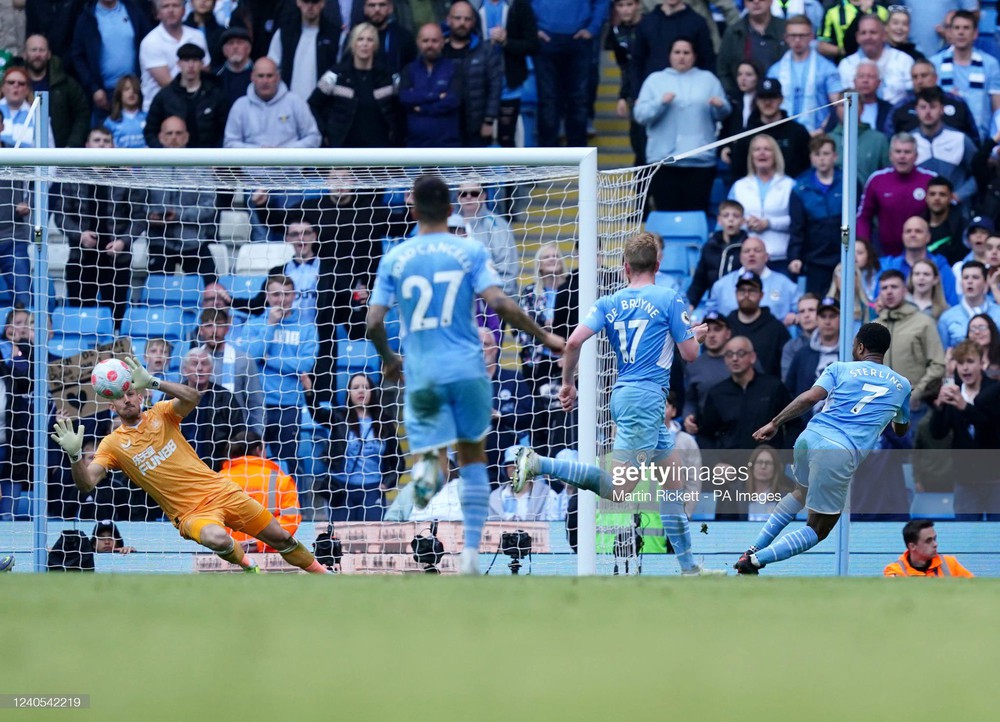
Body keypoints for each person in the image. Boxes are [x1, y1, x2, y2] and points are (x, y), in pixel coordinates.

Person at [366, 173, 565, 575]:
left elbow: (372, 323)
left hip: (422, 371)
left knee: (434, 461)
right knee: (473, 459)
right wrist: (543, 334)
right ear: (452, 209)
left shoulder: (396, 257)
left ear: (414, 209)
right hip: (468, 367)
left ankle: (423, 482)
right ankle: (471, 554)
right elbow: (502, 303)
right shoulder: (469, 251)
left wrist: (388, 358)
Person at [510, 232, 720, 576]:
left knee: (673, 480)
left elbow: (574, 341)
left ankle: (689, 569)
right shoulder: (669, 297)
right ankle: (538, 463)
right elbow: (691, 355)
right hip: (646, 399)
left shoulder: (610, 301)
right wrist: (694, 335)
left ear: (624, 268)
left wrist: (567, 383)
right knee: (618, 490)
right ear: (658, 264)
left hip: (625, 394)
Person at [50, 357, 329, 573]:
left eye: (130, 393)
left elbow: (193, 397)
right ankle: (248, 566)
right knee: (217, 539)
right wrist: (75, 456)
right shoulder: (112, 444)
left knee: (282, 538)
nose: (126, 400)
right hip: (189, 513)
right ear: (112, 407)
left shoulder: (161, 414)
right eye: (119, 398)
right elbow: (86, 483)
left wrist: (153, 381)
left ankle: (324, 575)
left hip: (221, 490)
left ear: (140, 395)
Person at [734, 323, 911, 574]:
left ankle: (752, 548)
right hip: (838, 452)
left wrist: (775, 422)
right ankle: (754, 560)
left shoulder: (839, 368)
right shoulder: (902, 385)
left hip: (810, 437)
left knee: (800, 493)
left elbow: (809, 398)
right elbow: (901, 430)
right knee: (819, 528)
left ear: (860, 347)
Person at [58, 126, 144, 330]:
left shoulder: (127, 179)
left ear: (113, 146)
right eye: (97, 140)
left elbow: (140, 217)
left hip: (117, 259)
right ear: (87, 145)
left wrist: (124, 241)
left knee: (117, 318)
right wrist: (79, 235)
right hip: (81, 258)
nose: (102, 144)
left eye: (106, 141)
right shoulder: (72, 177)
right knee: (81, 317)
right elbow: (61, 216)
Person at [633, 36, 729, 213]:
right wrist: (660, 103)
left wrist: (720, 106)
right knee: (666, 214)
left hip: (700, 162)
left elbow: (723, 113)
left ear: (694, 56)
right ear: (670, 55)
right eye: (677, 52)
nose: (681, 57)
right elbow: (640, 115)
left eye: (686, 52)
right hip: (663, 162)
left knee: (696, 213)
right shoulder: (654, 80)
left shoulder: (708, 79)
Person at [242, 274, 318, 482]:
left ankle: (293, 508)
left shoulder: (307, 328)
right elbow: (250, 356)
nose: (281, 299)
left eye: (286, 294)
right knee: (255, 461)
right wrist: (271, 324)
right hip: (259, 405)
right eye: (276, 294)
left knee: (289, 463)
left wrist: (269, 359)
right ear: (267, 296)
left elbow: (305, 365)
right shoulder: (255, 324)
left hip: (289, 406)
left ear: (294, 296)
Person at [303, 371, 402, 521]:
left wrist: (387, 483)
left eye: (365, 387)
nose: (361, 391)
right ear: (349, 393)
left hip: (372, 489)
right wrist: (309, 391)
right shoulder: (339, 417)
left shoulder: (385, 423)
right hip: (341, 488)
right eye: (356, 387)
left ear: (372, 392)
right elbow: (317, 414)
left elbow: (399, 461)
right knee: (340, 538)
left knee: (372, 537)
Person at [146, 116, 218, 284]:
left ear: (186, 137)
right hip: (159, 242)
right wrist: (149, 217)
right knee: (156, 293)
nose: (174, 137)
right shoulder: (148, 167)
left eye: (178, 133)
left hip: (193, 241)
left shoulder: (201, 167)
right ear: (161, 137)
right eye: (169, 133)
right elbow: (137, 204)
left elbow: (210, 205)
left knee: (213, 287)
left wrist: (180, 215)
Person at [308, 22, 402, 149]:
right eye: (360, 39)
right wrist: (325, 134)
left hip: (381, 152)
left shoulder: (389, 76)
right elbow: (312, 105)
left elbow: (401, 108)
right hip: (343, 152)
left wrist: (396, 135)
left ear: (375, 45)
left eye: (369, 40)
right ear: (352, 44)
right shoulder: (335, 75)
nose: (364, 44)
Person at [695, 335, 793, 453]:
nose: (734, 358)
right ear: (725, 359)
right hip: (731, 466)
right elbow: (705, 435)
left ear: (752, 357)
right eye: (729, 354)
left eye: (741, 353)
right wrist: (716, 463)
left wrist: (785, 457)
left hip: (768, 464)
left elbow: (793, 425)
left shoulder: (773, 387)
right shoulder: (717, 393)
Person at [531, 0, 607, 149]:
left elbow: (601, 2)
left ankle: (578, 161)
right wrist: (532, 29)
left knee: (578, 101)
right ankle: (546, 162)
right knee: (548, 101)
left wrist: (592, 28)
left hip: (579, 41)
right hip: (545, 39)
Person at [874, 269, 945, 414]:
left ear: (905, 290)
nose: (889, 292)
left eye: (894, 287)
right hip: (879, 407)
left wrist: (916, 394)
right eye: (884, 288)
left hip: (916, 407)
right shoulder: (873, 327)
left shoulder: (924, 322)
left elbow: (938, 365)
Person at [72, 0, 151, 126]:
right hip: (104, 94)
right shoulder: (87, 18)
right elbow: (78, 56)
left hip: (135, 89)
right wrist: (94, 88)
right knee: (102, 142)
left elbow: (148, 43)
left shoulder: (133, 10)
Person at [857, 132, 937, 256]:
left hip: (923, 254)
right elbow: (863, 217)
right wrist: (864, 247)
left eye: (907, 152)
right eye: (898, 151)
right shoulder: (877, 180)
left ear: (916, 156)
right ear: (890, 155)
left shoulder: (930, 180)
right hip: (885, 254)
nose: (902, 156)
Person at [628, 0, 715, 109]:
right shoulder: (647, 23)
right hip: (653, 99)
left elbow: (708, 62)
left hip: (689, 101)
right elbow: (636, 62)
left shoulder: (697, 23)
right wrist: (637, 95)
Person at [930, 9, 1000, 143]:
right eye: (956, 28)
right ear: (950, 33)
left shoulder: (990, 64)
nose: (961, 32)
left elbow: (997, 108)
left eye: (966, 28)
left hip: (979, 139)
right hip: (943, 137)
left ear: (975, 34)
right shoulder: (935, 63)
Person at [728, 134, 797, 266]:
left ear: (775, 154)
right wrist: (745, 223)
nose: (762, 153)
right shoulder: (739, 186)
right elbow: (728, 221)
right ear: (751, 155)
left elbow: (797, 222)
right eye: (757, 149)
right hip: (746, 258)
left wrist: (768, 223)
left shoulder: (790, 185)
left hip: (781, 257)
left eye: (767, 149)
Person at [766, 15, 842, 135]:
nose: (797, 40)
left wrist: (822, 130)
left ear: (811, 37)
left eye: (802, 35)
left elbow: (838, 104)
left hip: (818, 136)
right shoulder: (775, 71)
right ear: (786, 37)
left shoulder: (827, 68)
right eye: (793, 36)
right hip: (784, 136)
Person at [788, 135, 844, 295]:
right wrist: (795, 256)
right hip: (815, 260)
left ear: (835, 156)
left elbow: (857, 219)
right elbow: (797, 226)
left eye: (826, 154)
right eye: (817, 154)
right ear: (811, 158)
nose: (822, 159)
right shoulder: (800, 188)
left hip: (843, 258)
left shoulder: (848, 182)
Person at [194, 307, 264, 435]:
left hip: (236, 435)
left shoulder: (244, 360)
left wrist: (258, 438)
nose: (214, 331)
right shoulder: (192, 361)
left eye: (219, 325)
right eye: (209, 325)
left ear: (227, 328)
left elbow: (256, 404)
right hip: (200, 434)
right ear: (200, 330)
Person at [223, 57, 321, 149]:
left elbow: (314, 138)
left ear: (278, 77)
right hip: (252, 167)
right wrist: (259, 152)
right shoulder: (240, 106)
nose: (265, 81)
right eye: (260, 76)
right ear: (252, 77)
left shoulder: (295, 102)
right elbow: (229, 143)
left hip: (289, 166)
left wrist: (282, 153)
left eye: (269, 76)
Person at [441, 1, 502, 148]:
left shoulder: (485, 51)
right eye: (458, 18)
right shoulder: (440, 49)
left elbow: (495, 86)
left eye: (467, 19)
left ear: (473, 22)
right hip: (444, 125)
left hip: (477, 125)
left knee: (476, 170)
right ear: (449, 20)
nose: (462, 23)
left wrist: (489, 120)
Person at [728, 79, 812, 182]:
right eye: (763, 97)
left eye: (772, 97)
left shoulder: (798, 132)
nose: (767, 102)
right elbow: (737, 173)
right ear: (757, 101)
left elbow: (807, 170)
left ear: (781, 99)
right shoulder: (745, 136)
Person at [143, 42, 224, 148]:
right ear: (178, 64)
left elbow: (224, 130)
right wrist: (163, 153)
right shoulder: (164, 96)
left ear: (202, 64)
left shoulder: (215, 95)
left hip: (208, 159)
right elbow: (150, 131)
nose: (191, 65)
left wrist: (216, 158)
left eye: (195, 60)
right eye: (186, 60)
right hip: (173, 159)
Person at [709, 237, 799, 326]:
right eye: (747, 251)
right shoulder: (721, 285)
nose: (751, 254)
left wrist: (795, 317)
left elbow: (801, 312)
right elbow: (710, 314)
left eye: (757, 250)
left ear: (766, 257)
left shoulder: (786, 285)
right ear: (740, 257)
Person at [912, 86, 977, 207]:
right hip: (918, 211)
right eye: (923, 107)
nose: (927, 112)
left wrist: (960, 195)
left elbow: (980, 173)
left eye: (933, 107)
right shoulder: (909, 141)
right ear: (916, 110)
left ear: (942, 109)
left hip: (956, 213)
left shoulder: (960, 139)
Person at [398, 23, 462, 148]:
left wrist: (421, 108)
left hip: (448, 146)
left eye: (434, 41)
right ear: (418, 42)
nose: (430, 45)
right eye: (425, 41)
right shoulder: (409, 69)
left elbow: (453, 100)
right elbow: (405, 97)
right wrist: (436, 96)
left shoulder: (453, 68)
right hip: (415, 146)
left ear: (443, 42)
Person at [138, 0, 209, 111]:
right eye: (165, 6)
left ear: (184, 11)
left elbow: (205, 72)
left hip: (196, 105)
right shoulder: (150, 42)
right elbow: (167, 83)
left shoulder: (197, 36)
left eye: (175, 6)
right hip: (160, 109)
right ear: (158, 13)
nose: (171, 10)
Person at [887, 59, 979, 143]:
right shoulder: (900, 108)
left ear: (935, 78)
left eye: (924, 75)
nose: (919, 81)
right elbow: (890, 140)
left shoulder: (957, 103)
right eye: (915, 77)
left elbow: (974, 138)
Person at [22, 34, 89, 148]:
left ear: (49, 54)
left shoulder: (66, 84)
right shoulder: (14, 82)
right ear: (24, 55)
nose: (38, 54)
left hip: (60, 154)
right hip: (19, 154)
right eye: (33, 50)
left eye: (42, 50)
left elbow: (82, 115)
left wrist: (71, 146)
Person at [267, 0, 341, 103]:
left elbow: (339, 71)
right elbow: (271, 67)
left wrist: (320, 96)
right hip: (287, 105)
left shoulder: (334, 35)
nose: (310, 6)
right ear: (298, 2)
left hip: (323, 107)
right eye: (306, 1)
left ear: (322, 3)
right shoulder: (284, 33)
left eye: (315, 2)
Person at [456, 180, 519, 297]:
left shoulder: (497, 225)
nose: (468, 197)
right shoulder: (449, 226)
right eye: (463, 194)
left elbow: (507, 268)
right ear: (458, 197)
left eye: (474, 193)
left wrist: (497, 301)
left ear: (483, 196)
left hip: (491, 303)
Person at [837, 14, 914, 106]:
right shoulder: (846, 65)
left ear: (884, 35)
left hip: (897, 117)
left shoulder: (904, 61)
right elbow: (841, 104)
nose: (868, 37)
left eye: (873, 32)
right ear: (857, 37)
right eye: (863, 33)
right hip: (856, 117)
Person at [716, 0, 786, 99]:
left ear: (771, 1)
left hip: (781, 98)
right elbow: (723, 71)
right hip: (744, 100)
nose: (756, 2)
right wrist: (734, 96)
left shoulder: (786, 30)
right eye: (750, 0)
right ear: (744, 3)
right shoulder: (733, 32)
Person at [687, 200, 747, 309]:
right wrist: (691, 305)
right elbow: (699, 281)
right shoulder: (709, 247)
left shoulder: (747, 247)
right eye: (726, 215)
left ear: (743, 221)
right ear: (719, 220)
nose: (731, 219)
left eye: (736, 216)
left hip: (739, 306)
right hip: (714, 305)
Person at [784, 295, 840, 406]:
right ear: (817, 319)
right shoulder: (802, 355)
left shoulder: (852, 353)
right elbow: (789, 391)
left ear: (841, 318)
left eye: (832, 316)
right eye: (823, 316)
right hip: (808, 421)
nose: (827, 321)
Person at [937, 261, 1000, 349]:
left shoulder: (998, 313)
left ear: (986, 283)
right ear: (961, 283)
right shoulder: (947, 317)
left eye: (975, 277)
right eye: (966, 278)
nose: (969, 282)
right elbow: (942, 353)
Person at [488, 445, 560, 521]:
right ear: (505, 468)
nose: (517, 467)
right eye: (512, 463)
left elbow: (556, 529)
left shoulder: (549, 495)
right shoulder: (494, 497)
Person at [883, 519, 974, 577]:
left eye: (935, 539)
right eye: (928, 541)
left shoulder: (950, 563)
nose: (935, 544)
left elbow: (975, 588)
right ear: (912, 546)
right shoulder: (895, 571)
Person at [363, 0, 417, 76]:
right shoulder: (355, 37)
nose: (377, 9)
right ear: (365, 9)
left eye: (382, 5)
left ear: (390, 8)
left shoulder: (403, 36)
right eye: (372, 5)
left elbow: (412, 68)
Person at [215, 25, 252, 124]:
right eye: (230, 43)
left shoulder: (259, 74)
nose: (235, 47)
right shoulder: (216, 77)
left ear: (248, 49)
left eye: (239, 43)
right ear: (224, 50)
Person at [781, 293, 819, 379]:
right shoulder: (790, 347)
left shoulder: (835, 343)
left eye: (811, 310)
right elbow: (788, 382)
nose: (806, 315)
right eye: (802, 311)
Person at [102, 74, 147, 148]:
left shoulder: (148, 118)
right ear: (119, 94)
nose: (131, 92)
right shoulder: (110, 122)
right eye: (126, 89)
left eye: (135, 90)